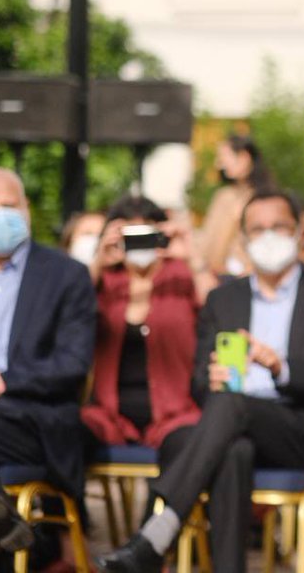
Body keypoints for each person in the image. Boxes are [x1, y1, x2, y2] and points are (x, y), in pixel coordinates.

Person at [96, 189, 304, 573]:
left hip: (300, 429)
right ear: (244, 238)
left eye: (279, 227)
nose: (269, 236)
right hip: (230, 427)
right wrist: (212, 379)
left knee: (230, 409)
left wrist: (280, 367)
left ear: (300, 231)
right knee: (231, 447)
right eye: (258, 228)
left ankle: (157, 532)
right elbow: (199, 385)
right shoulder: (224, 299)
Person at [0, 168, 96, 560]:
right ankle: (1, 520)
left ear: (27, 210)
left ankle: (3, 522)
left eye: (9, 205)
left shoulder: (66, 276)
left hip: (35, 418)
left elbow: (72, 364)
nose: (2, 214)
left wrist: (4, 381)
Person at [81, 196, 202, 468]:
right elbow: (68, 312)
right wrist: (98, 261)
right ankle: (66, 511)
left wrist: (191, 255)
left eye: (147, 234)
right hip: (108, 418)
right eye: (131, 236)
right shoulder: (105, 283)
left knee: (189, 446)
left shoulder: (181, 277)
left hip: (175, 417)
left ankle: (157, 511)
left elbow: (220, 311)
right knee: (62, 432)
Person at [195, 134, 274, 286]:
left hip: (250, 280)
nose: (219, 164)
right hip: (217, 279)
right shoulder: (223, 196)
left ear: (244, 157)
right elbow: (208, 239)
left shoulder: (265, 198)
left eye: (224, 157)